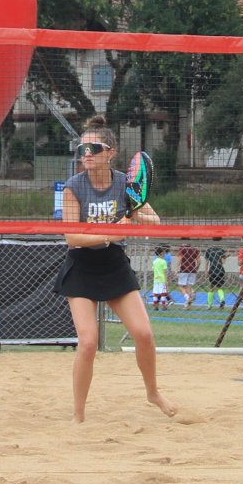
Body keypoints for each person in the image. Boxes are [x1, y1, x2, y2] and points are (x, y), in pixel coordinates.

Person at [53, 116, 177, 422]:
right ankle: (79, 414)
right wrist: (112, 232)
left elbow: (156, 222)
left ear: (111, 152)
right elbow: (72, 237)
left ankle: (152, 392)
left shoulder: (125, 184)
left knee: (144, 334)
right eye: (82, 148)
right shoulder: (73, 187)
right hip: (82, 265)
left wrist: (133, 217)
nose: (87, 154)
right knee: (89, 342)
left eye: (94, 148)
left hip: (113, 265)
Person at [176, 243, 201, 308]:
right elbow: (199, 261)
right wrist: (196, 269)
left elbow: (179, 259)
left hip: (184, 269)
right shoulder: (195, 249)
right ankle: (188, 305)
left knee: (180, 286)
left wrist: (176, 269)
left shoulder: (182, 248)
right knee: (188, 287)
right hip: (192, 270)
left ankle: (187, 298)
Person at [204, 240, 228, 308]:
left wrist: (206, 271)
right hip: (220, 270)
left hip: (213, 270)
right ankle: (222, 299)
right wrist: (225, 257)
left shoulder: (209, 250)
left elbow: (207, 262)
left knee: (211, 287)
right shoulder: (221, 251)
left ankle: (209, 304)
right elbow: (223, 262)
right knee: (219, 287)